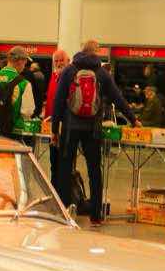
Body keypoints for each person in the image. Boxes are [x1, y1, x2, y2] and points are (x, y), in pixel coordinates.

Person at [50, 40, 138, 227]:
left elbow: (58, 101)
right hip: (93, 129)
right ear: (95, 52)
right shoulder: (102, 73)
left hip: (70, 128)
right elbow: (118, 98)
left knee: (64, 169)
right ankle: (96, 216)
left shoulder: (69, 70)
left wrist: (54, 130)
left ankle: (64, 212)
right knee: (94, 171)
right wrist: (133, 119)